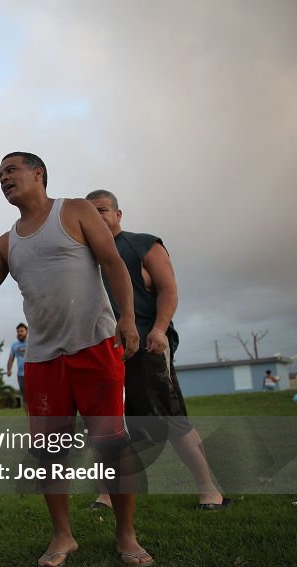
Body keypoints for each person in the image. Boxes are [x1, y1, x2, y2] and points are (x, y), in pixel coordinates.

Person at [0, 152, 153, 567]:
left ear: (38, 173)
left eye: (11, 170)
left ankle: (125, 533)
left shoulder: (74, 210)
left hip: (95, 345)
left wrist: (128, 318)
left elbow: (113, 263)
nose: (3, 178)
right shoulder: (7, 243)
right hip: (43, 359)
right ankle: (63, 535)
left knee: (111, 444)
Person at [86, 190, 229, 511]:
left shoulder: (142, 244)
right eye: (90, 213)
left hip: (146, 345)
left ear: (118, 215)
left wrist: (160, 329)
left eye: (103, 211)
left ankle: (209, 490)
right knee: (105, 425)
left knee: (170, 419)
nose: (97, 218)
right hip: (103, 351)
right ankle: (107, 494)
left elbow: (168, 288)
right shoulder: (86, 256)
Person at [7, 323, 28, 408]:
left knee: (37, 395)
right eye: (18, 331)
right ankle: (29, 420)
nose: (19, 333)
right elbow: (11, 359)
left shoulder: (32, 343)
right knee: (25, 397)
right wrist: (9, 370)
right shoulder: (14, 345)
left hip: (34, 374)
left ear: (27, 331)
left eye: (21, 331)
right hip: (21, 375)